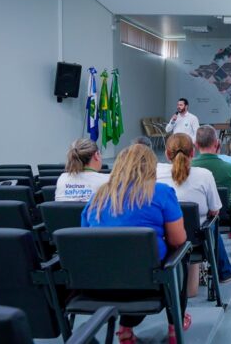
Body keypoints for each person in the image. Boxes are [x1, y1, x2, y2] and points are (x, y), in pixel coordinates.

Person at [81, 144, 189, 344]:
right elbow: (178, 240)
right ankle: (175, 325)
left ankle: (125, 331)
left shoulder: (97, 196)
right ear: (151, 167)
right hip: (148, 284)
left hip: (99, 285)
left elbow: (86, 237)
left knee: (121, 261)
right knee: (182, 255)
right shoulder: (162, 192)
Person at [157, 134, 231, 296]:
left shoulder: (156, 173)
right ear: (192, 153)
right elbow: (215, 209)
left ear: (167, 154)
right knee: (212, 221)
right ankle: (224, 271)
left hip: (164, 240)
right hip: (197, 241)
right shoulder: (204, 175)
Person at [191, 125, 231, 257]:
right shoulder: (230, 167)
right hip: (224, 214)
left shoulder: (188, 167)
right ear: (217, 144)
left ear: (196, 145)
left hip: (196, 217)